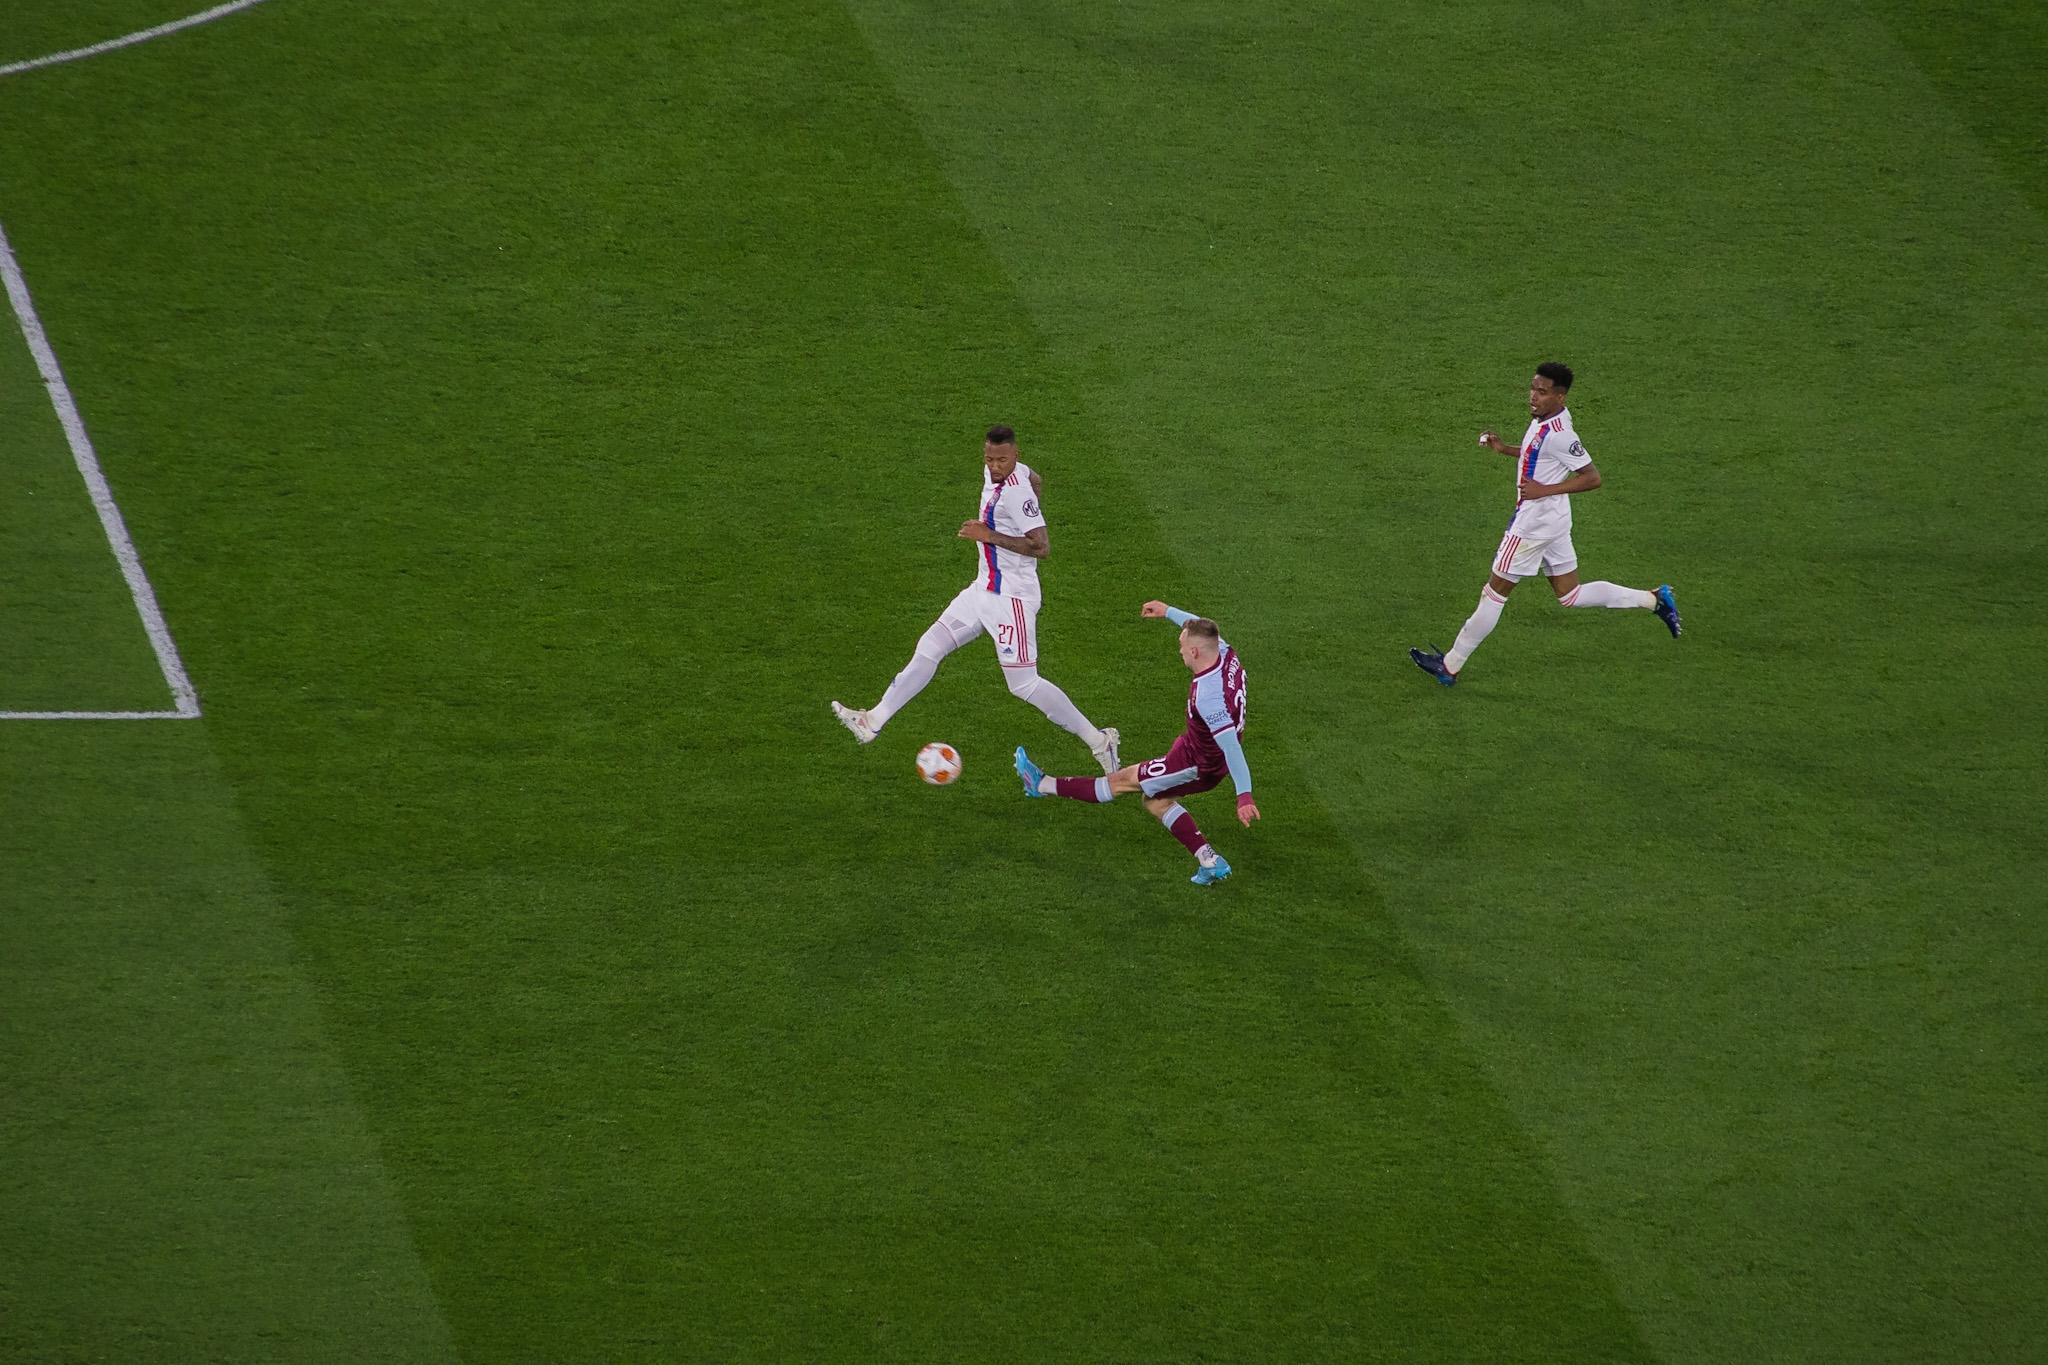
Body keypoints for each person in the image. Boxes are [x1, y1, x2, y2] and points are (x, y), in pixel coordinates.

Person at [832, 426, 1120, 772]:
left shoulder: (1016, 494)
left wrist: (990, 535)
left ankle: (1099, 741)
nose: (995, 466)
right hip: (982, 589)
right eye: (989, 459)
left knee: (1024, 684)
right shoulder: (1007, 472)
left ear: (1015, 455)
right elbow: (1037, 478)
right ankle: (873, 720)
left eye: (1002, 460)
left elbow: (1042, 547)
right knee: (930, 646)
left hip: (1011, 599)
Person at [1410, 362, 1680, 685]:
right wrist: (1504, 449)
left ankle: (1450, 665)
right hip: (1554, 521)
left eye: (1542, 392)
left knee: (1494, 593)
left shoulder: (1562, 435)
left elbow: (1592, 478)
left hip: (1532, 526)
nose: (1533, 396)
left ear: (1560, 397)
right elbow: (1537, 454)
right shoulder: (1545, 420)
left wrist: (1543, 490)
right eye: (1533, 388)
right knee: (1570, 594)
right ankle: (1654, 599)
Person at [1014, 601, 1256, 885]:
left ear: (1194, 651)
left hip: (1196, 763)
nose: (1179, 650)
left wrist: (1244, 796)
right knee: (1155, 802)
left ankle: (1041, 784)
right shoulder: (1224, 652)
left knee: (1120, 782)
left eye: (1182, 646)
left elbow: (1231, 748)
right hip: (1197, 749)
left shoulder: (1208, 697)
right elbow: (1200, 627)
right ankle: (1209, 861)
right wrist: (1167, 611)